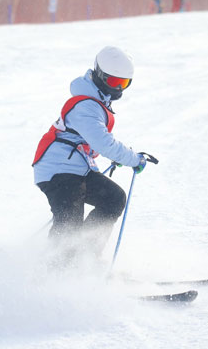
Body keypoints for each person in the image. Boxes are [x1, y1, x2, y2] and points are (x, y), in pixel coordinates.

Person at [32, 46, 149, 267]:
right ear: (100, 76)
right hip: (58, 171)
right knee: (69, 224)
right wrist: (133, 159)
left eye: (123, 84)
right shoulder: (85, 105)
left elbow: (93, 141)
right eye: (114, 82)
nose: (118, 89)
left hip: (76, 169)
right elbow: (103, 143)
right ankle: (51, 272)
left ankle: (84, 259)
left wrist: (117, 156)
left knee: (113, 199)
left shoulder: (95, 102)